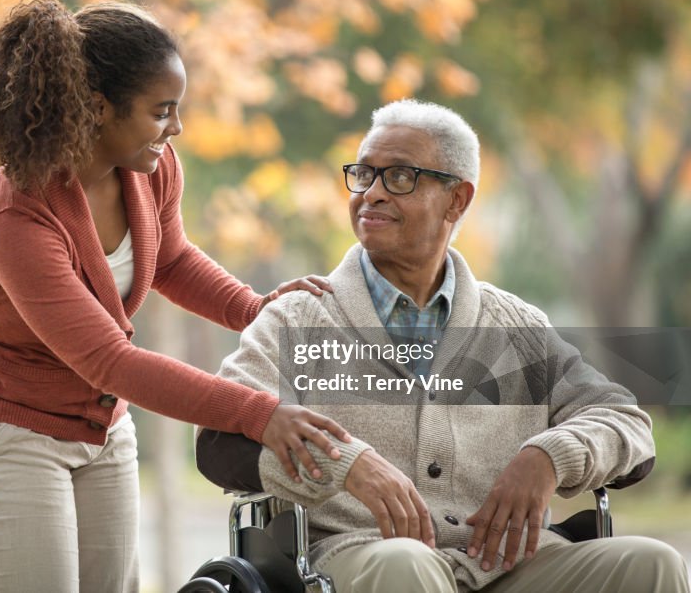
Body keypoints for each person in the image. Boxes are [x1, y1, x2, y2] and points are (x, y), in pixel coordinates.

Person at [0, 0, 352, 593]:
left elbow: (171, 258)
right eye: (162, 111)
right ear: (98, 109)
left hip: (100, 425)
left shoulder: (152, 167)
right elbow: (108, 360)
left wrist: (258, 310)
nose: (175, 128)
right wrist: (259, 414)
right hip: (3, 430)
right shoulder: (14, 218)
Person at [196, 99, 690, 592]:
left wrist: (549, 456)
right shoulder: (297, 317)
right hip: (360, 557)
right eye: (364, 174)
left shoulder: (516, 327)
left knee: (652, 562)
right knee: (406, 564)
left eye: (400, 177)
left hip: (506, 561)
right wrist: (345, 466)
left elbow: (626, 423)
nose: (371, 194)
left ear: (457, 200)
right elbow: (219, 442)